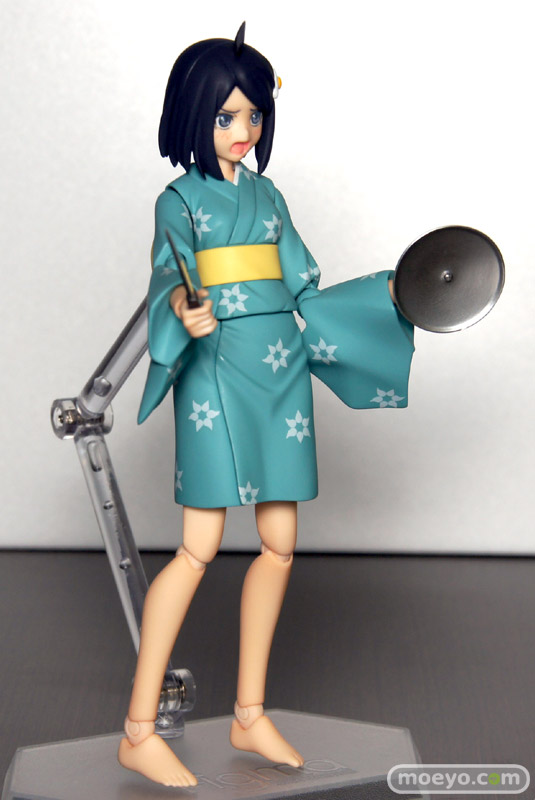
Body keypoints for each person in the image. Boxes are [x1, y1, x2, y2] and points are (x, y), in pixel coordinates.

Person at [118, 23, 414, 787]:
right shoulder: (180, 200)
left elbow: (304, 284)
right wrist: (181, 307)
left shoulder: (268, 195)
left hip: (279, 365)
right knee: (198, 547)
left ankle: (248, 714)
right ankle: (138, 728)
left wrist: (382, 297)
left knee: (279, 542)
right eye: (226, 116)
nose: (243, 130)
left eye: (252, 114)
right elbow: (168, 276)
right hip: (216, 367)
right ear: (193, 115)